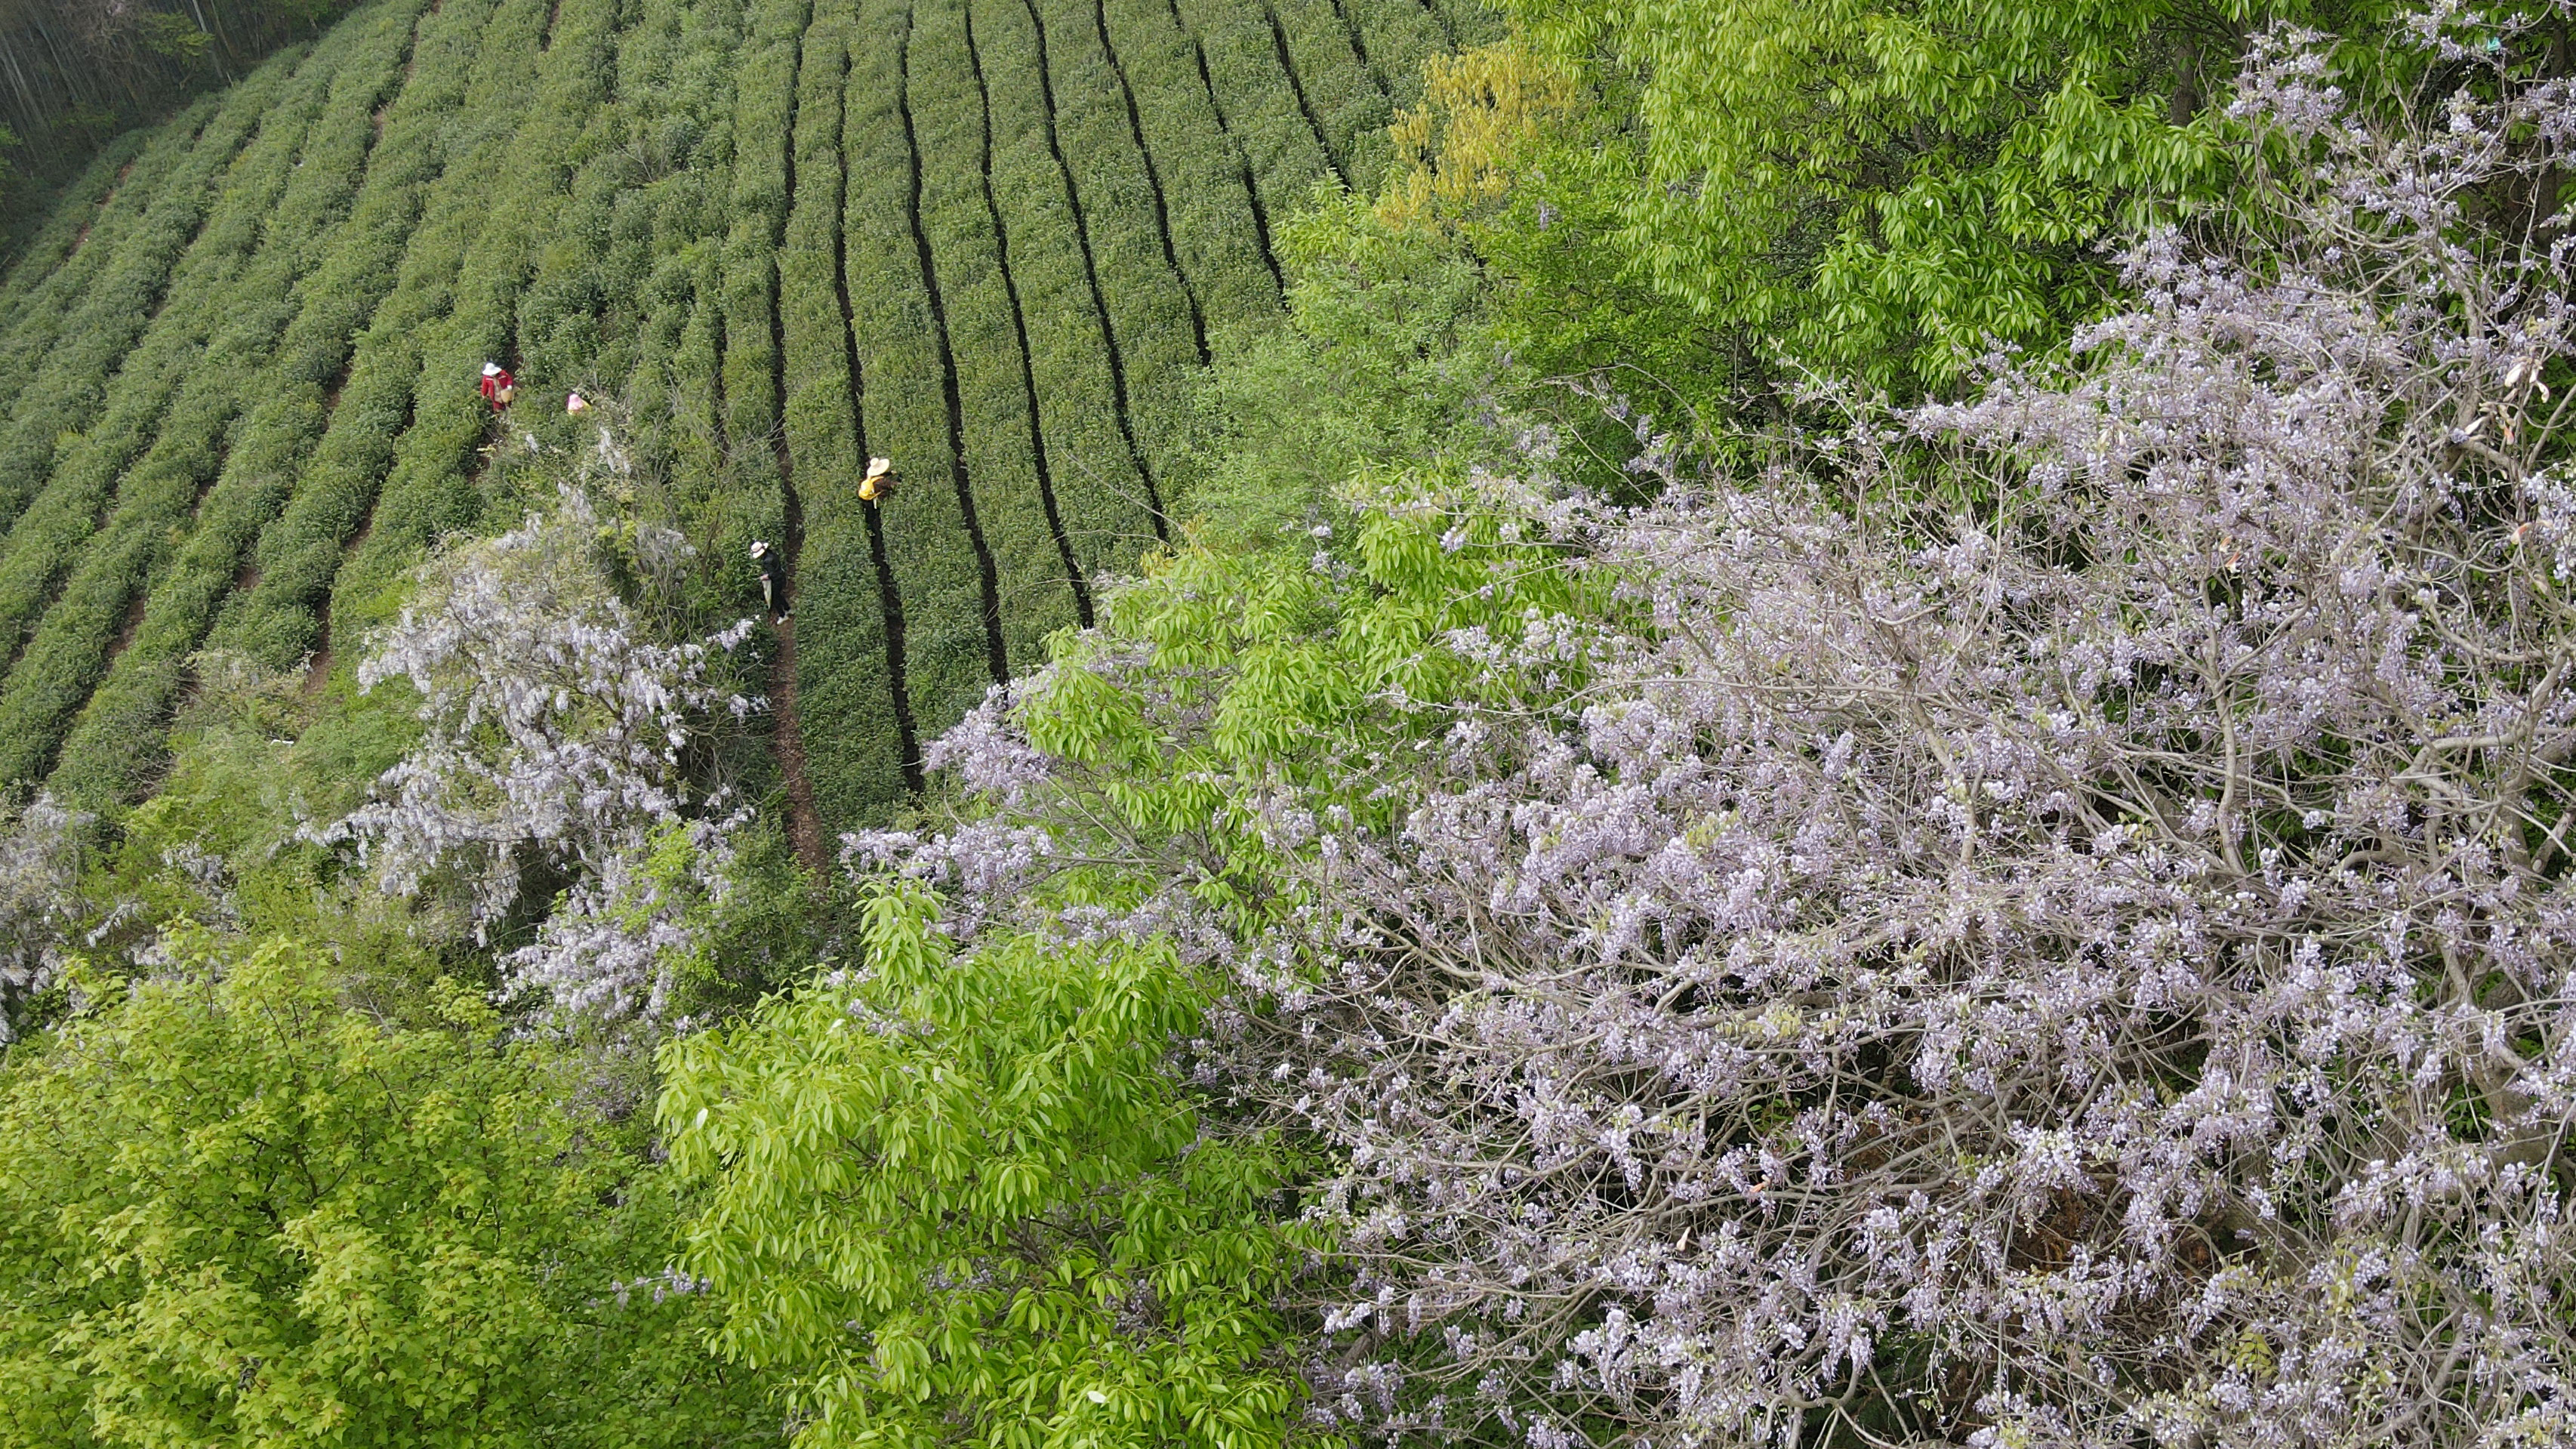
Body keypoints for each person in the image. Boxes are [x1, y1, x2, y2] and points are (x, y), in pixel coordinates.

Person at [751, 540, 785, 621]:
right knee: (779, 595)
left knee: (775, 598)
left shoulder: (767, 561)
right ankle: (788, 609)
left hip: (776, 580)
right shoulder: (772, 554)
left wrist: (764, 577)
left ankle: (783, 616)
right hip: (781, 576)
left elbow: (772, 574)